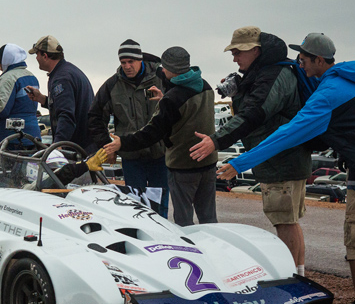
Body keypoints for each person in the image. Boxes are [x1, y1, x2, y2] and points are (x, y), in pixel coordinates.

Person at [218, 33, 355, 304]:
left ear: (320, 60)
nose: (300, 64)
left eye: (304, 59)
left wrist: (239, 163)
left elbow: (287, 134)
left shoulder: (329, 93)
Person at [190, 26, 311, 274]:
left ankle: (291, 281)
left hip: (280, 161)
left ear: (256, 51)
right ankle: (298, 276)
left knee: (284, 223)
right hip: (287, 158)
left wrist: (217, 140)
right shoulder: (272, 72)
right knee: (288, 222)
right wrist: (238, 92)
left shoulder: (273, 74)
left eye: (238, 52)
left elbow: (255, 113)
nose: (234, 57)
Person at [104, 47, 218, 226]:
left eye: (164, 67)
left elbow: (151, 133)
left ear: (172, 69)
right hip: (208, 162)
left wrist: (122, 143)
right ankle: (212, 250)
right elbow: (188, 112)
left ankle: (190, 252)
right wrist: (165, 99)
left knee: (183, 220)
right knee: (209, 217)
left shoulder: (172, 99)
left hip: (183, 165)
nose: (162, 71)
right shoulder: (205, 85)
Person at [88, 39, 169, 217]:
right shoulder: (112, 85)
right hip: (131, 157)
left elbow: (177, 107)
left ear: (140, 59)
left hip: (160, 154)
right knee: (134, 206)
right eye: (123, 62)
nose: (127, 66)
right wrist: (106, 146)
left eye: (131, 62)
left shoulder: (162, 78)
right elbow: (94, 117)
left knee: (161, 205)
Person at [24, 35, 94, 152]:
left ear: (45, 56)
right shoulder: (68, 71)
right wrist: (42, 99)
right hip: (87, 145)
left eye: (37, 54)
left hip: (78, 149)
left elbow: (66, 115)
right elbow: (68, 105)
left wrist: (57, 145)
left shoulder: (61, 79)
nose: (36, 58)